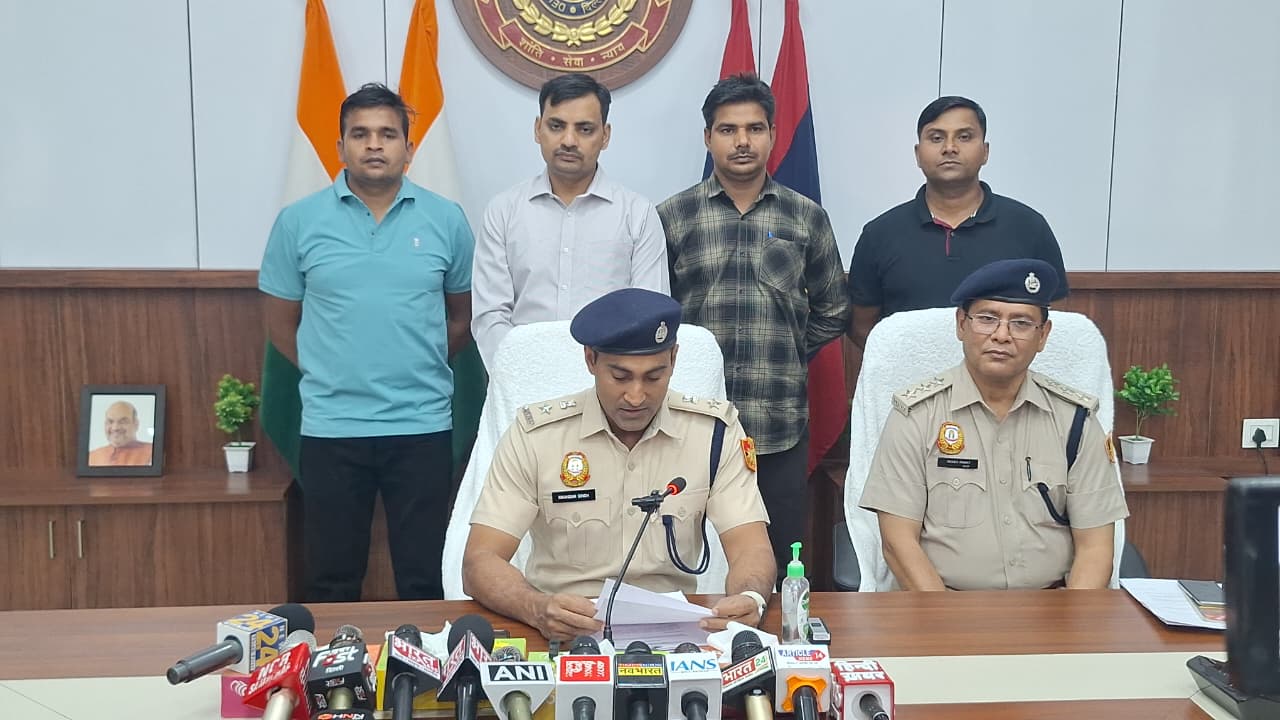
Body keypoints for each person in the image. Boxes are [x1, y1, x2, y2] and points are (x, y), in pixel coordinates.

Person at [259, 83, 474, 602]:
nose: (374, 145)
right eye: (360, 134)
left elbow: (461, 319)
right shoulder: (298, 222)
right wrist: (331, 371)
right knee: (330, 579)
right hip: (332, 426)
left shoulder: (446, 219)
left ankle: (427, 659)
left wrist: (414, 366)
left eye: (387, 134)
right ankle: (335, 660)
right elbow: (280, 324)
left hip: (422, 424)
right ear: (340, 147)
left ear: (409, 147)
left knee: (425, 578)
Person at [462, 288, 777, 640]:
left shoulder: (714, 434)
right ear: (591, 359)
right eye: (620, 376)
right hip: (565, 634)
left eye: (654, 377)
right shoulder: (537, 436)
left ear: (674, 359)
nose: (636, 396)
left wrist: (750, 597)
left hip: (674, 636)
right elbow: (480, 559)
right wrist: (535, 607)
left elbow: (750, 545)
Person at [658, 75, 849, 580]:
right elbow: (658, 318)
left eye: (754, 128)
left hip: (777, 419)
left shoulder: (806, 217)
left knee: (779, 556)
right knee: (683, 557)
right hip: (691, 419)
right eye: (728, 130)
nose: (742, 141)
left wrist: (786, 349)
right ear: (708, 137)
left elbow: (833, 308)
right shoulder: (673, 217)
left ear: (772, 134)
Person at [858, 258, 1128, 591]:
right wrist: (944, 619)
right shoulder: (916, 416)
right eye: (987, 319)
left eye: (1021, 323)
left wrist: (1071, 621)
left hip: (1053, 607)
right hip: (943, 605)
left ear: (1043, 336)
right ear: (961, 325)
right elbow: (898, 544)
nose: (1002, 335)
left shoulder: (1076, 421)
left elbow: (1096, 548)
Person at [471, 73, 669, 368]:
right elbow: (490, 317)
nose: (568, 141)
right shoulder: (503, 211)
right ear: (537, 129)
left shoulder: (638, 214)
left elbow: (647, 314)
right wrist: (522, 375)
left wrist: (606, 378)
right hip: (523, 382)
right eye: (556, 126)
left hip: (609, 384)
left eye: (584, 129)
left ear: (605, 136)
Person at [846, 96, 1069, 349]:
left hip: (1004, 372)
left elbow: (1053, 317)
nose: (950, 147)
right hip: (908, 374)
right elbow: (862, 327)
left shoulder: (1029, 227)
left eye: (964, 137)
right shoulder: (880, 233)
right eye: (936, 138)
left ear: (985, 152)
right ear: (918, 154)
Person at [87, 401, 153, 466]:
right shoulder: (92, 457)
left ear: (136, 424)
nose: (115, 428)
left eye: (123, 422)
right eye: (110, 421)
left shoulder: (151, 452)